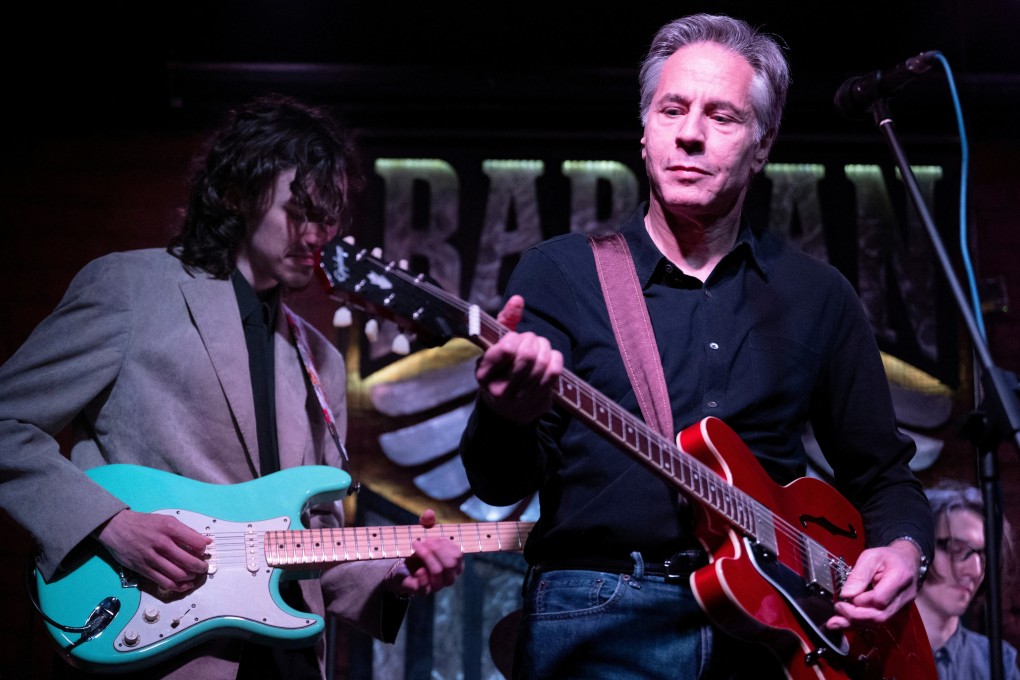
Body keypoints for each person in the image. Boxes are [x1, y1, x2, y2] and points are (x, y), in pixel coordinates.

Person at [459, 13, 934, 679]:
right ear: (645, 131)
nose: (689, 133)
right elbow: (498, 480)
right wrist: (506, 412)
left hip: (781, 626)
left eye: (722, 116)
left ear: (762, 144)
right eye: (671, 109)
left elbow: (882, 474)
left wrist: (905, 548)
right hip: (602, 606)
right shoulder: (561, 273)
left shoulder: (818, 295)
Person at [0, 94, 464, 679]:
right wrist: (109, 524)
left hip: (290, 657)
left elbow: (313, 538)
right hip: (166, 643)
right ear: (240, 193)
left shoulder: (316, 357)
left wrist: (397, 577)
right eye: (301, 211)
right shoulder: (131, 289)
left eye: (329, 217)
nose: (318, 234)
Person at [916, 482, 1019, 679]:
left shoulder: (998, 661)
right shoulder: (873, 650)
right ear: (922, 548)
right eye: (958, 549)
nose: (975, 570)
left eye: (983, 557)